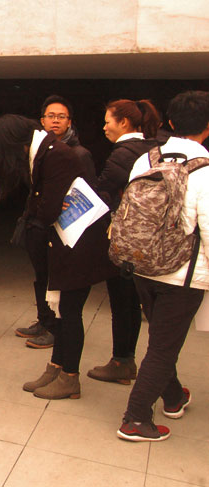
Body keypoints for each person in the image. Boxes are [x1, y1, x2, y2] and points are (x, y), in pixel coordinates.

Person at [0, 115, 116, 400]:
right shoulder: (46, 151)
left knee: (70, 312)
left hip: (77, 245)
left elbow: (48, 209)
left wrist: (38, 213)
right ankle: (56, 367)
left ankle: (70, 377)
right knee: (63, 312)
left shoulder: (57, 155)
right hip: (65, 243)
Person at [117, 91, 209, 442]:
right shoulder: (205, 169)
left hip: (143, 264)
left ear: (170, 122)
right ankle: (135, 419)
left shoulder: (147, 159)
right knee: (163, 347)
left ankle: (173, 397)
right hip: (182, 274)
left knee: (161, 338)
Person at [86, 99, 161, 385]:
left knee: (120, 300)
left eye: (108, 122)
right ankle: (127, 360)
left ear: (124, 123)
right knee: (134, 301)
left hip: (124, 236)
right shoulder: (154, 148)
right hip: (148, 237)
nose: (104, 127)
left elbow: (101, 190)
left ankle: (121, 361)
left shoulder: (123, 153)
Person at [16, 95, 96, 348]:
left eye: (61, 117)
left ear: (70, 122)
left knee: (56, 279)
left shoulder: (79, 153)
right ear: (42, 121)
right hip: (40, 223)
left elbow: (88, 192)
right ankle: (44, 319)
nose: (55, 121)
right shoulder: (37, 151)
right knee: (41, 276)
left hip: (63, 226)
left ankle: (55, 328)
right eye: (51, 116)